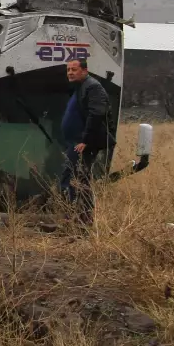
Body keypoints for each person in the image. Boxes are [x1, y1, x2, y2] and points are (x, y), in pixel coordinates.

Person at [60, 57, 109, 225]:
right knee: (79, 179)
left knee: (74, 178)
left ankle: (76, 218)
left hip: (82, 144)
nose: (70, 73)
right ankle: (81, 218)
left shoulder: (92, 87)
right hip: (75, 142)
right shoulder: (80, 87)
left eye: (74, 69)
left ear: (85, 71)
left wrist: (85, 140)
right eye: (68, 70)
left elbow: (96, 114)